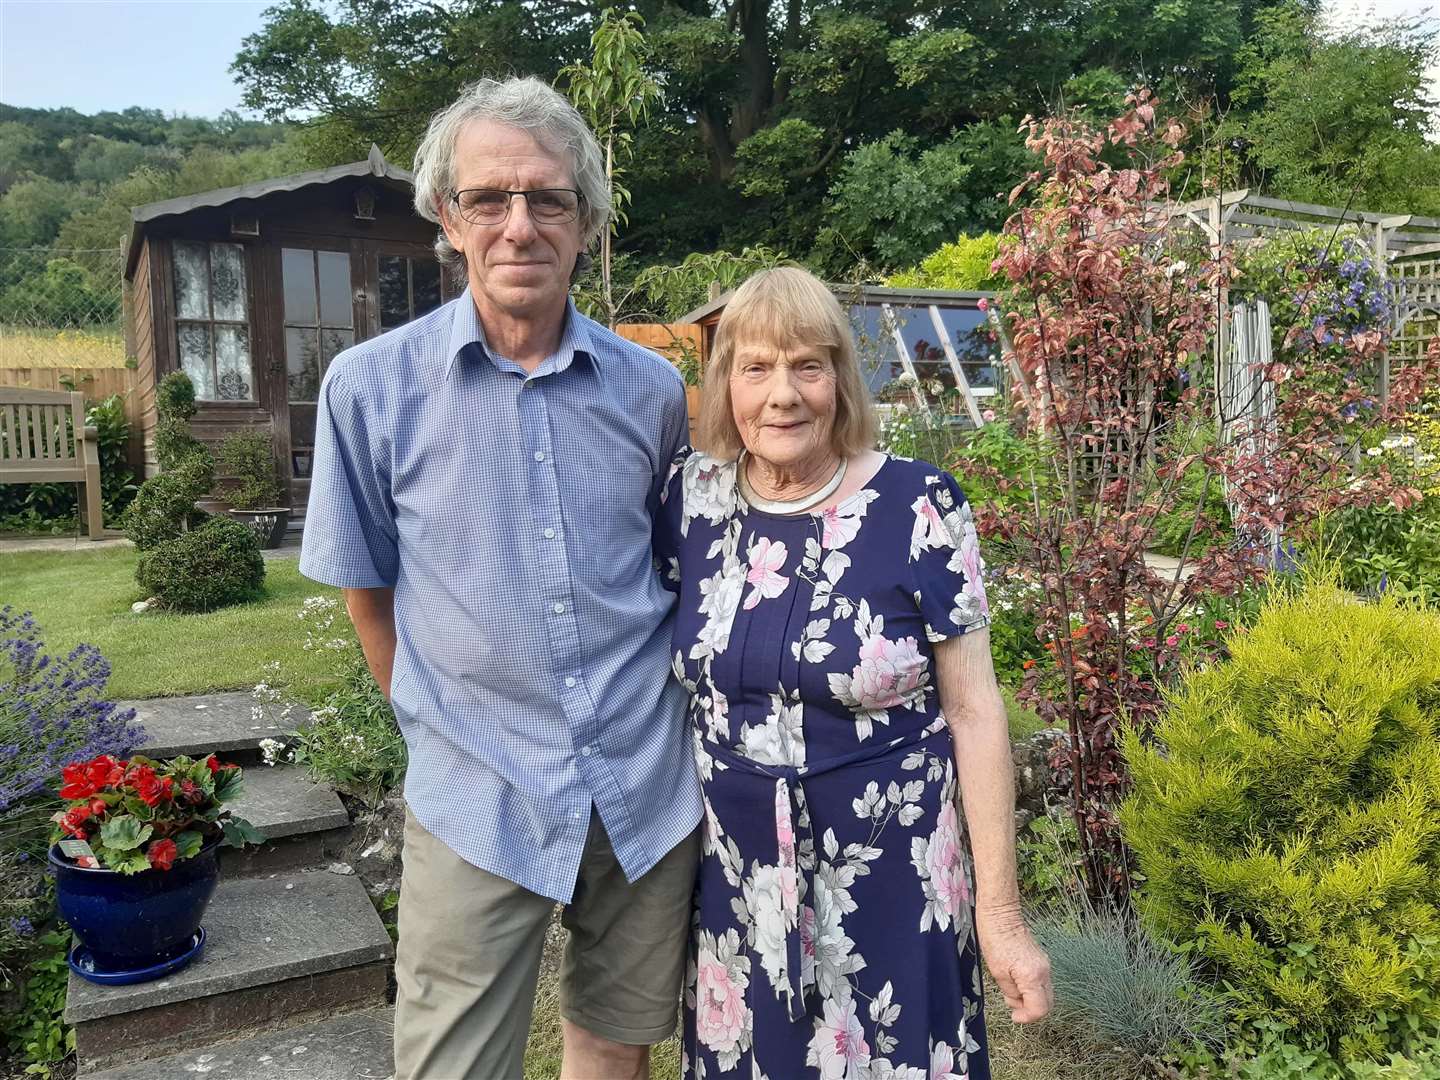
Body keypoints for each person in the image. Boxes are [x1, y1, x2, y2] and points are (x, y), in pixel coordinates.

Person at [299, 76, 702, 1080]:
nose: (519, 225)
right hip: (479, 789)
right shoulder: (369, 389)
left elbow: (672, 563)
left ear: (586, 220)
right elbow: (367, 590)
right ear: (448, 216)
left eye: (548, 198)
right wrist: (431, 726)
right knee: (452, 1062)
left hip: (642, 782)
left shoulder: (653, 392)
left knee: (614, 1040)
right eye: (489, 198)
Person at [657, 266, 1052, 1079]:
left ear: (841, 377)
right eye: (755, 367)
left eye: (808, 365)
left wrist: (1002, 917)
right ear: (724, 380)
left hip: (894, 870)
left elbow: (975, 711)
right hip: (738, 879)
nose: (782, 395)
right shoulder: (689, 505)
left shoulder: (919, 505)